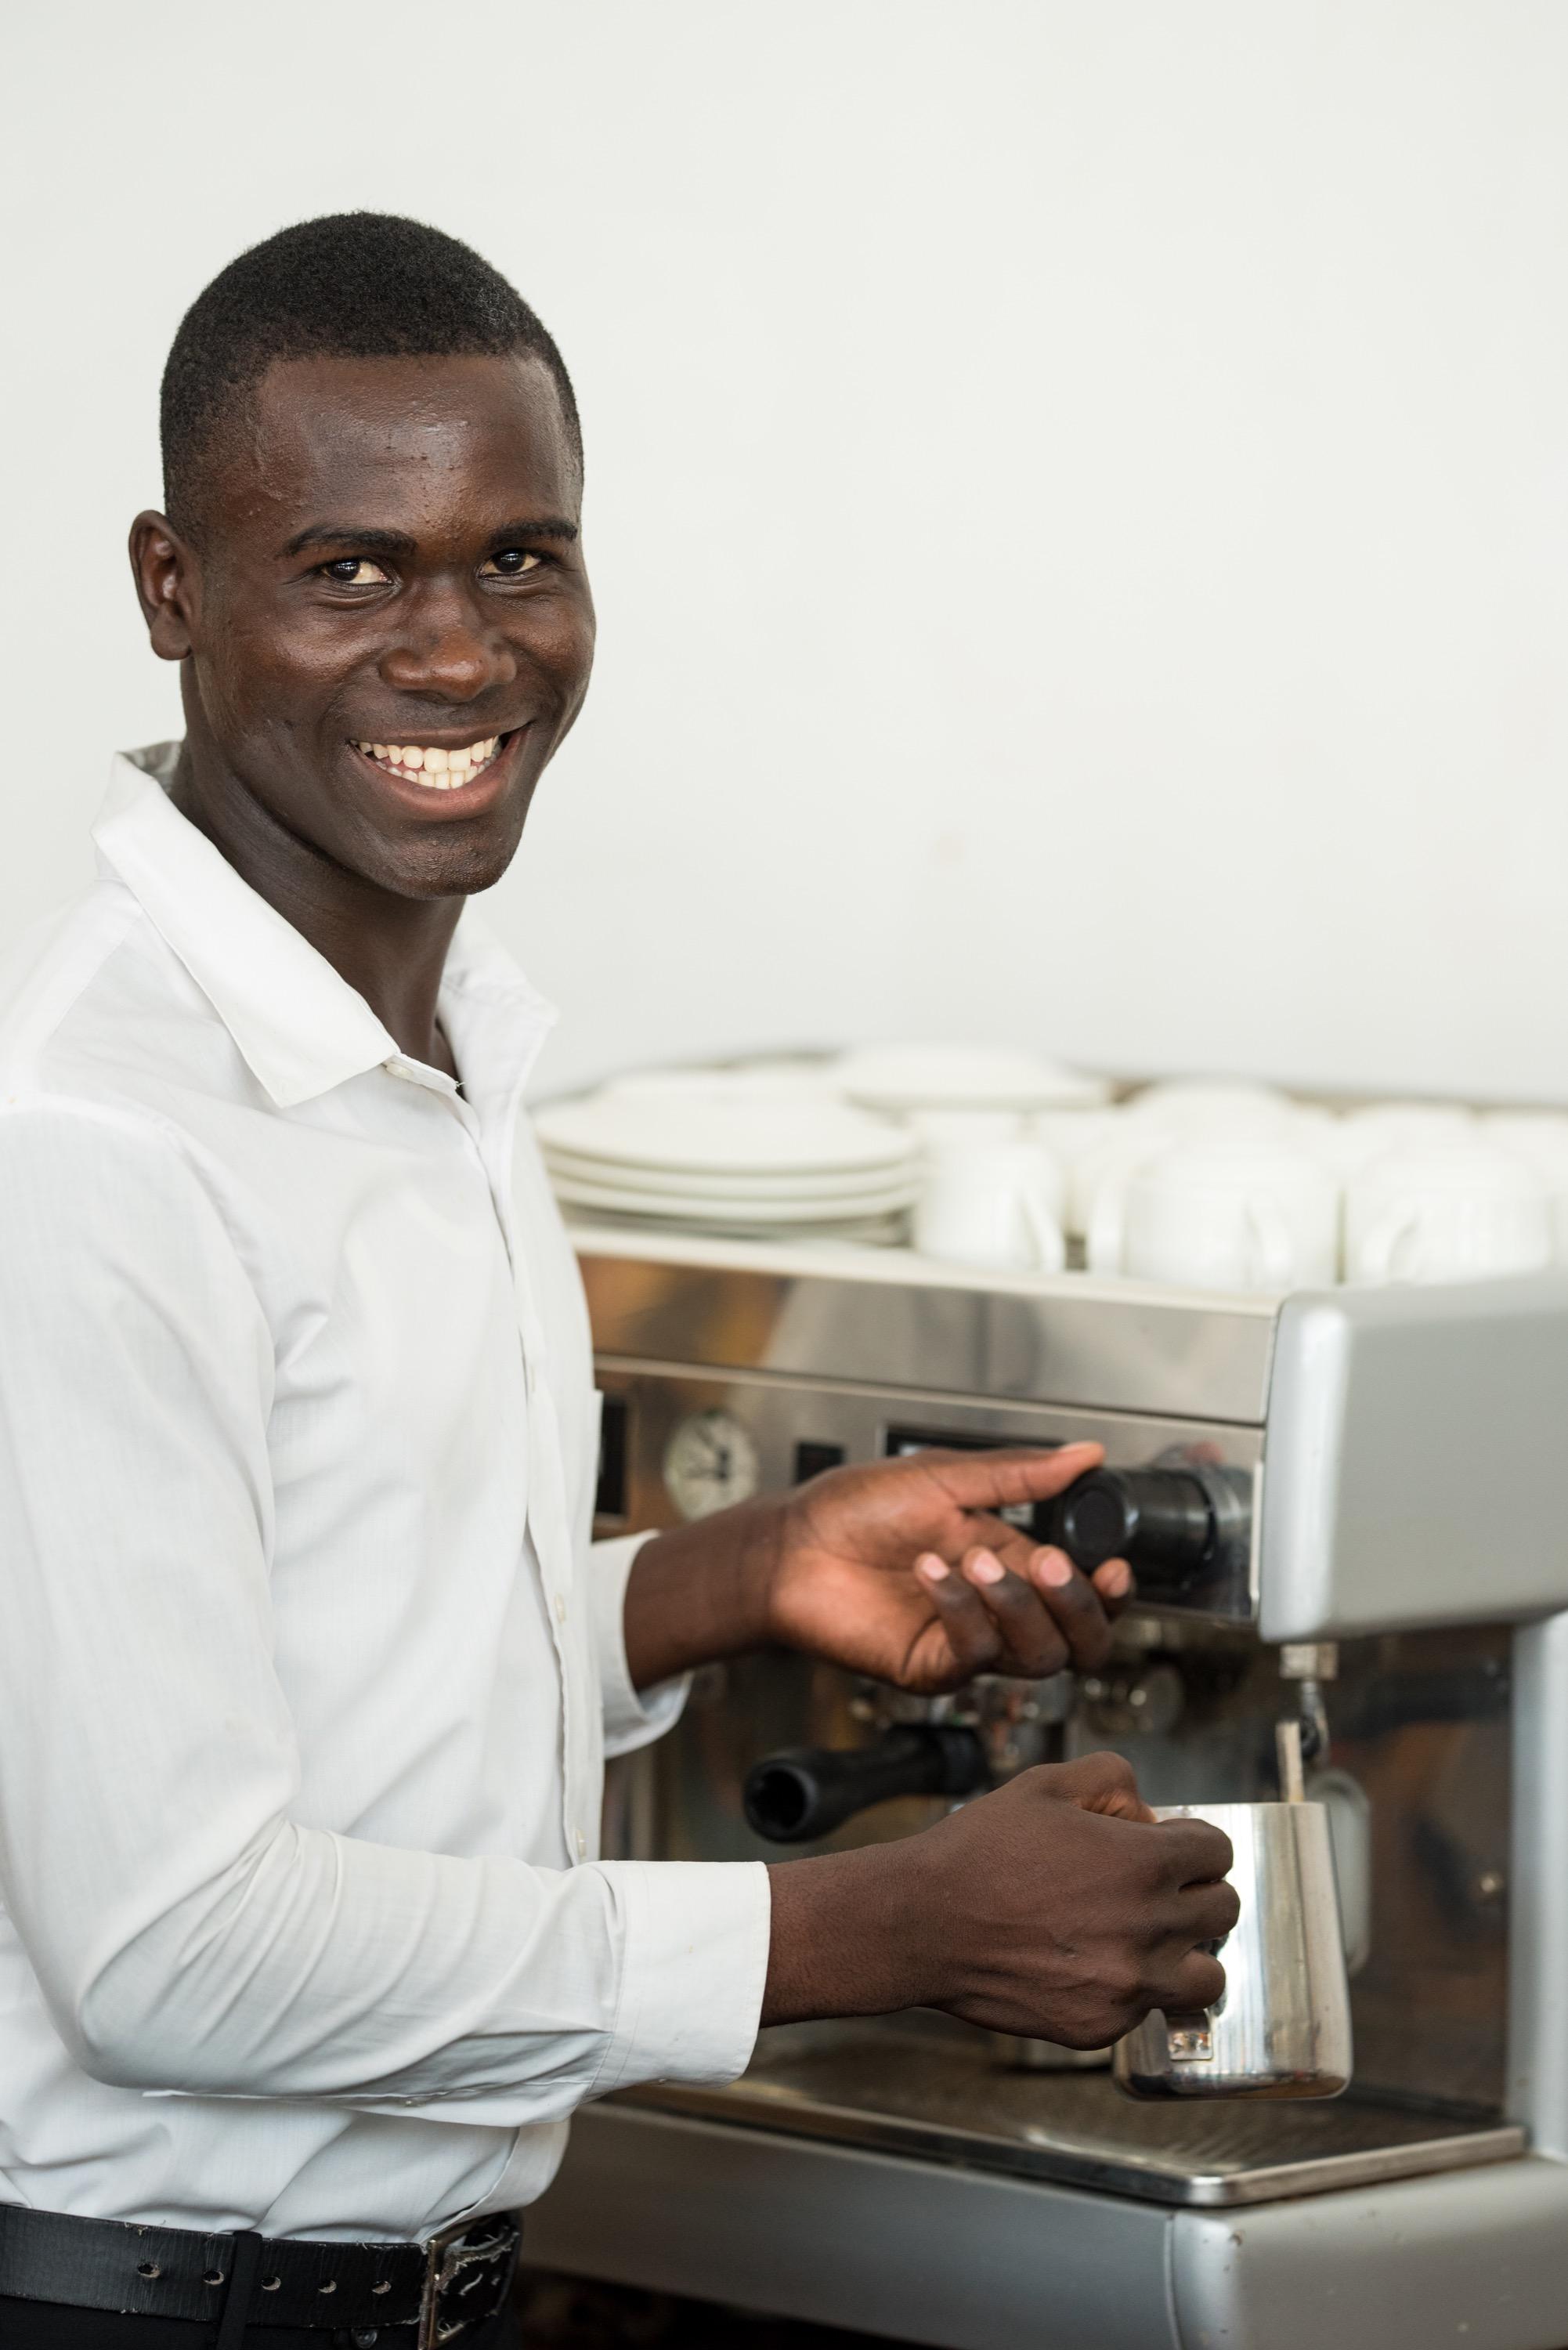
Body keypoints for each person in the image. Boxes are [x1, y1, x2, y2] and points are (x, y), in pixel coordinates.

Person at [0, 213, 1236, 2348]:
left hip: (417, 2293)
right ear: (171, 589)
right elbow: (172, 1947)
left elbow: (331, 1661)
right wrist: (867, 1930)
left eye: (520, 558)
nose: (461, 651)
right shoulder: (100, 1150)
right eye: (351, 569)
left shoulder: (434, 1061)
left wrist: (727, 1575)